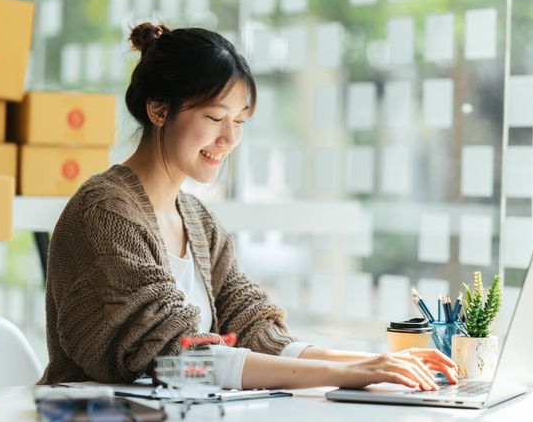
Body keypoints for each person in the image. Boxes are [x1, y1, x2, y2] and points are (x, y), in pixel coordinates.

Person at [40, 22, 458, 390]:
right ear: (159, 110)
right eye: (213, 117)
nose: (229, 139)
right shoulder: (105, 213)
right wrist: (354, 372)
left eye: (239, 121)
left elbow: (254, 332)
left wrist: (375, 363)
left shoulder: (199, 222)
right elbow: (178, 359)